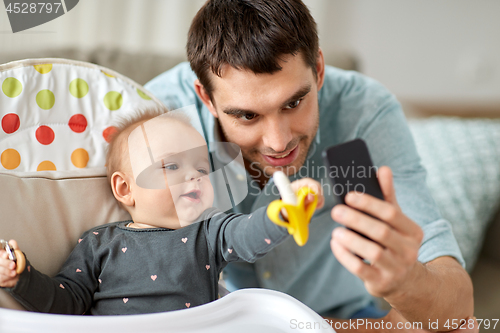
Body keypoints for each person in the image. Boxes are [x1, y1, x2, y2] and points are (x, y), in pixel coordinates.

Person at [144, 0, 475, 331]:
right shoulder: (162, 118)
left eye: (293, 103)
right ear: (206, 98)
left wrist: (405, 282)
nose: (278, 141)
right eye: (247, 116)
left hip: (342, 320)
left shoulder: (358, 115)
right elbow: (142, 287)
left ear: (318, 70)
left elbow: (455, 304)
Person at [0, 108, 324, 315]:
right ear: (125, 189)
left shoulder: (209, 230)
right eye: (171, 165)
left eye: (201, 166)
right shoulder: (99, 242)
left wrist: (280, 214)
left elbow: (245, 235)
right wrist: (22, 278)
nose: (194, 175)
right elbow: (67, 301)